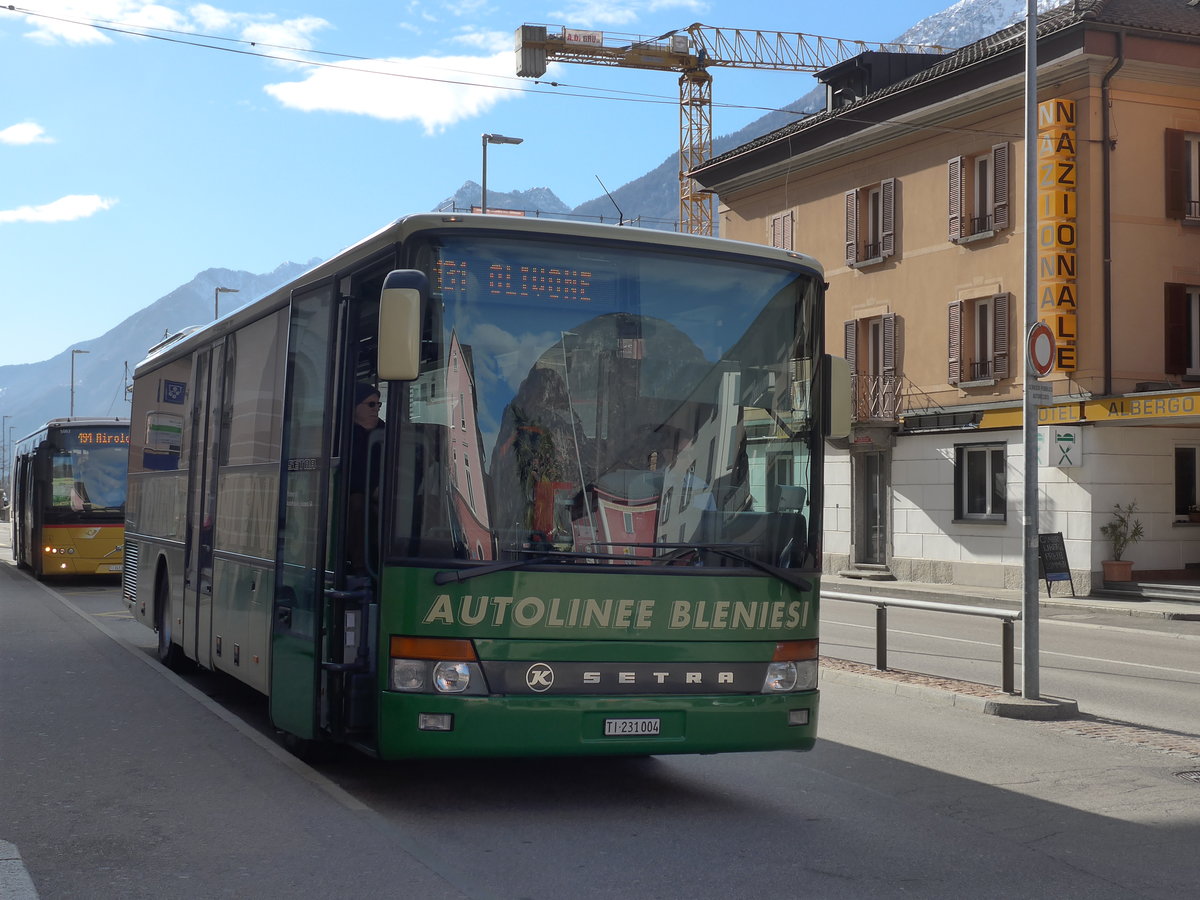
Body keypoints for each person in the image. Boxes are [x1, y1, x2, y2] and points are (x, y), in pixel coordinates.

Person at [347, 382, 385, 574]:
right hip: (356, 497)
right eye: (371, 404)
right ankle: (360, 568)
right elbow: (346, 476)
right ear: (354, 407)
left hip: (387, 493)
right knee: (357, 504)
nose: (376, 409)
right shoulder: (342, 435)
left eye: (378, 404)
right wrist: (372, 490)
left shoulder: (388, 433)